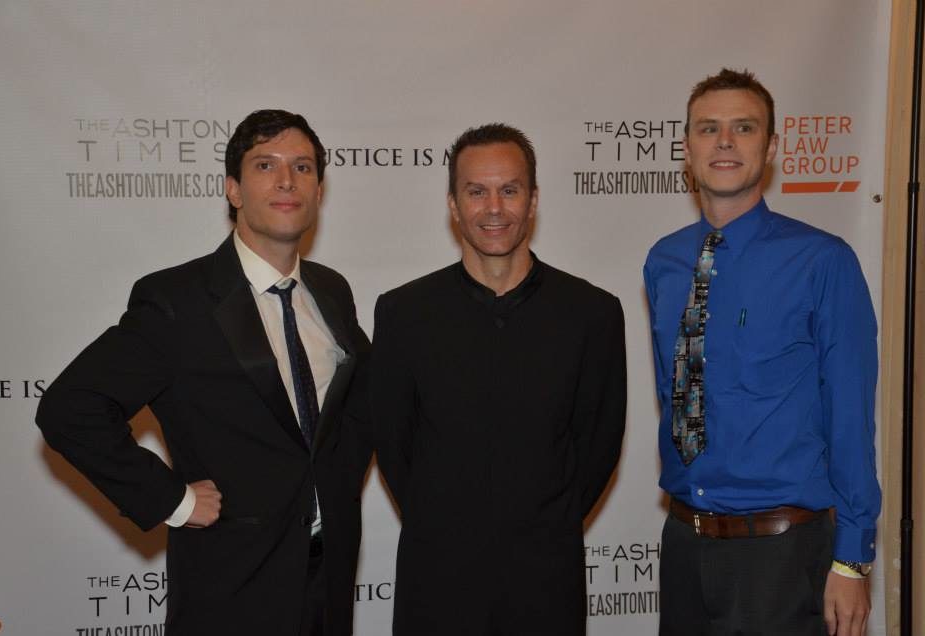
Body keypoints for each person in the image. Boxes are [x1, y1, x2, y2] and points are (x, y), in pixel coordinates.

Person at [36, 109, 371, 636]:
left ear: (319, 189)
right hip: (229, 586)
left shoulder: (331, 291)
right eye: (266, 165)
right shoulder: (177, 301)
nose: (287, 180)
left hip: (326, 580)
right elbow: (69, 409)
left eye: (303, 167)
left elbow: (356, 410)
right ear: (233, 189)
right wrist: (172, 498)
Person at [644, 69, 880, 636]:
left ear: (771, 148)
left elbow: (849, 415)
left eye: (743, 128)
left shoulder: (823, 262)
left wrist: (852, 557)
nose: (724, 141)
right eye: (708, 129)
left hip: (781, 555)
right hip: (682, 544)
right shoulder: (665, 262)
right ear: (686, 148)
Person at [371, 123, 626, 636]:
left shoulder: (592, 313)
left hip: (546, 583)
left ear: (532, 201)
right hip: (436, 580)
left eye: (509, 190)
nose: (494, 208)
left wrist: (542, 523)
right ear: (452, 203)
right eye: (477, 191)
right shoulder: (403, 314)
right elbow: (394, 446)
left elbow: (597, 444)